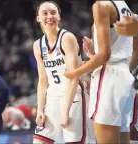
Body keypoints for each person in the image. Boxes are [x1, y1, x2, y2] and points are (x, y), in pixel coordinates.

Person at [65, 1, 136, 143]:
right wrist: (94, 54)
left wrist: (74, 73)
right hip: (125, 76)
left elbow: (105, 56)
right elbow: (115, 49)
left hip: (109, 78)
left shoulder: (101, 5)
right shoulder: (124, 6)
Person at [32, 1, 95, 143]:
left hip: (74, 98)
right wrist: (40, 109)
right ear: (38, 18)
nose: (50, 16)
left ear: (59, 17)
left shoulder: (67, 38)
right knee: (39, 141)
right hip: (52, 98)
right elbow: (43, 81)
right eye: (45, 13)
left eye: (53, 13)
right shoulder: (38, 45)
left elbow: (73, 77)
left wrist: (65, 112)